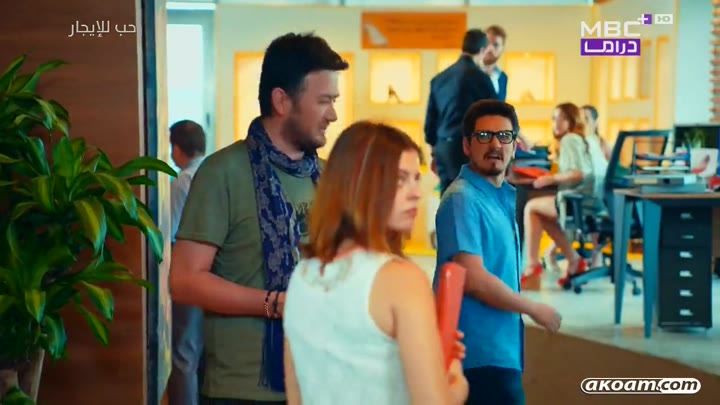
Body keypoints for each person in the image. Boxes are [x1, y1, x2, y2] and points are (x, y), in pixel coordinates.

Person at [169, 32, 349, 404]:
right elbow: (185, 281)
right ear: (281, 100)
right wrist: (274, 303)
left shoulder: (330, 176)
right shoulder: (222, 172)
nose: (333, 114)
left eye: (334, 101)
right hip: (240, 390)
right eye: (323, 101)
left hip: (318, 381)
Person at [282, 121, 469, 405]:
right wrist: (455, 378)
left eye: (416, 178)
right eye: (399, 180)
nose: (416, 193)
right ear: (361, 185)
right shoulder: (401, 279)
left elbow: (296, 398)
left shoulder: (301, 276)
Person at [435, 100, 561, 405]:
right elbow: (474, 278)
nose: (495, 145)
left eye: (504, 136)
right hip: (476, 355)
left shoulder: (497, 196)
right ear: (467, 145)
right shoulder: (463, 199)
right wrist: (533, 308)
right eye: (484, 136)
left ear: (515, 146)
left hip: (500, 351)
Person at [522, 103, 607, 288]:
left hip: (579, 202)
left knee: (531, 208)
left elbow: (579, 173)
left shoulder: (570, 139)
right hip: (595, 202)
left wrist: (550, 179)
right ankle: (573, 260)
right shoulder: (590, 138)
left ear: (573, 120)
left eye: (563, 118)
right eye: (554, 118)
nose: (557, 123)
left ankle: (532, 267)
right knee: (541, 213)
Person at [424, 29, 498, 196]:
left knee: (447, 198)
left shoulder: (439, 79)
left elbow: (430, 123)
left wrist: (434, 153)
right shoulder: (481, 78)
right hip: (468, 148)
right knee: (470, 199)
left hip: (444, 147)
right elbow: (498, 114)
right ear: (482, 50)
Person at [167, 119, 207, 405]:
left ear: (178, 149)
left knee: (183, 353)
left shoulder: (183, 181)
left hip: (189, 273)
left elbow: (170, 234)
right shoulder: (215, 174)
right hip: (219, 274)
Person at [483, 25, 508, 102]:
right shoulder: (469, 74)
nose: (490, 48)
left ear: (502, 49)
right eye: (487, 43)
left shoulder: (503, 77)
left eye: (495, 45)